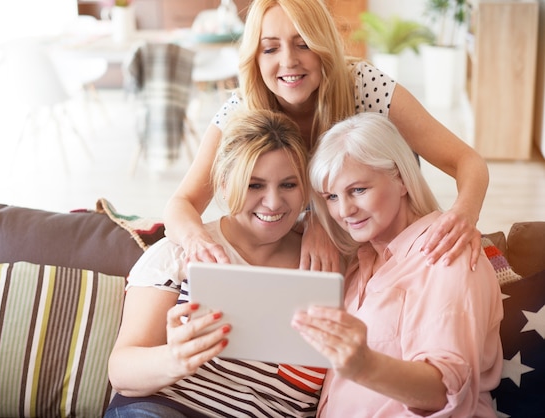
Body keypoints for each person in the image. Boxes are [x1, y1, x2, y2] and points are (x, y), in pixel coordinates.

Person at [163, 0, 488, 273]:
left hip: (384, 243)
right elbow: (182, 204)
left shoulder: (364, 84)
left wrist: (463, 215)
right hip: (305, 262)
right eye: (270, 48)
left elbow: (467, 161)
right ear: (255, 58)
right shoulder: (241, 110)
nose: (288, 60)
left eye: (303, 43)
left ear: (323, 46)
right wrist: (196, 242)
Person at [105, 109, 324, 418]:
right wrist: (175, 358)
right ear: (224, 183)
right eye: (254, 185)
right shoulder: (180, 253)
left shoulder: (323, 264)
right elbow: (121, 371)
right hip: (164, 409)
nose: (273, 202)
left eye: (289, 185)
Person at [291, 112, 503, 417]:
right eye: (331, 197)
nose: (344, 210)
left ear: (401, 179)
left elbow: (446, 392)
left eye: (358, 190)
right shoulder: (358, 263)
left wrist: (365, 365)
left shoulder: (445, 255)